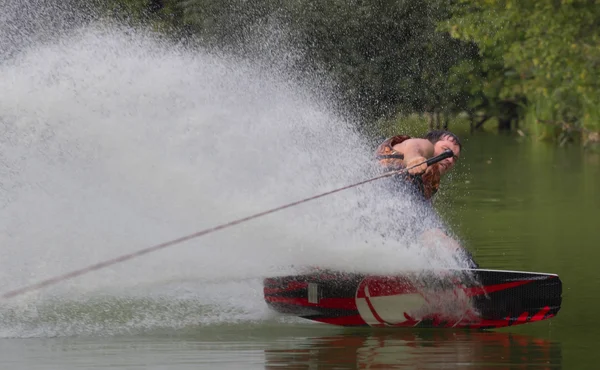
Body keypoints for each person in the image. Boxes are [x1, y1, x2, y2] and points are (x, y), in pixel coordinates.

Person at [374, 130, 479, 268]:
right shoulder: (426, 145)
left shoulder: (431, 183)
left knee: (435, 233)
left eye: (454, 158)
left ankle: (466, 268)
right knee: (434, 235)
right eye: (446, 151)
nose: (450, 159)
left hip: (386, 221)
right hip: (374, 202)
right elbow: (413, 146)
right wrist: (413, 159)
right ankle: (471, 272)